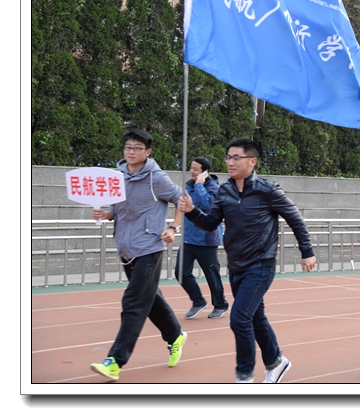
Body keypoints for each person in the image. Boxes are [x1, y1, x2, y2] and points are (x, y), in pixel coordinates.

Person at [179, 138, 316, 383]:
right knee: (255, 316)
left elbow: (295, 219)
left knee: (239, 318)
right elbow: (210, 224)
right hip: (236, 264)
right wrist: (191, 211)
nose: (230, 162)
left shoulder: (267, 190)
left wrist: (307, 251)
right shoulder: (224, 191)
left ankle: (245, 376)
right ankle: (276, 361)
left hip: (261, 264)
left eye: (236, 158)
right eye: (228, 157)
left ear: (251, 161)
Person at [90, 130, 187, 381]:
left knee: (133, 302)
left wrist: (173, 228)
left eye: (136, 148)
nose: (131, 152)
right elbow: (115, 209)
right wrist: (105, 215)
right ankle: (175, 335)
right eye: (127, 147)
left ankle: (115, 360)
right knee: (151, 298)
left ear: (148, 152)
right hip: (126, 247)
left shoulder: (157, 178)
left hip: (150, 248)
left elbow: (182, 200)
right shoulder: (117, 176)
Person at [175, 157, 229, 319]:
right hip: (189, 239)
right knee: (180, 272)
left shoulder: (213, 187)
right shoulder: (188, 186)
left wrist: (199, 184)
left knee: (212, 275)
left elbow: (208, 205)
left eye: (196, 169)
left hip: (206, 239)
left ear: (205, 172)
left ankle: (220, 305)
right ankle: (198, 301)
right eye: (191, 168)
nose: (192, 171)